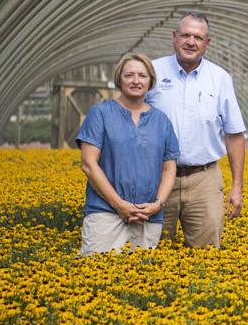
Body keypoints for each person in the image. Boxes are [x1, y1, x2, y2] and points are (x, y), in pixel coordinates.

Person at [146, 11, 246, 248]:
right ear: (174, 37)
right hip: (156, 177)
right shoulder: (152, 72)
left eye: (198, 37)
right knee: (150, 248)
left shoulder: (220, 78)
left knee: (207, 251)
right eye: (186, 35)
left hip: (204, 178)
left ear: (207, 43)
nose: (191, 42)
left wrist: (237, 187)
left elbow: (235, 135)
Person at [76, 52, 179, 255]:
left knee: (142, 280)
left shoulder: (161, 121)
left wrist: (157, 205)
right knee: (97, 277)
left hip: (147, 217)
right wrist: (119, 205)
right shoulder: (100, 114)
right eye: (129, 75)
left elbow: (169, 168)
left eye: (142, 75)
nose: (136, 81)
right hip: (105, 214)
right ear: (119, 79)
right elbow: (88, 163)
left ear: (150, 81)